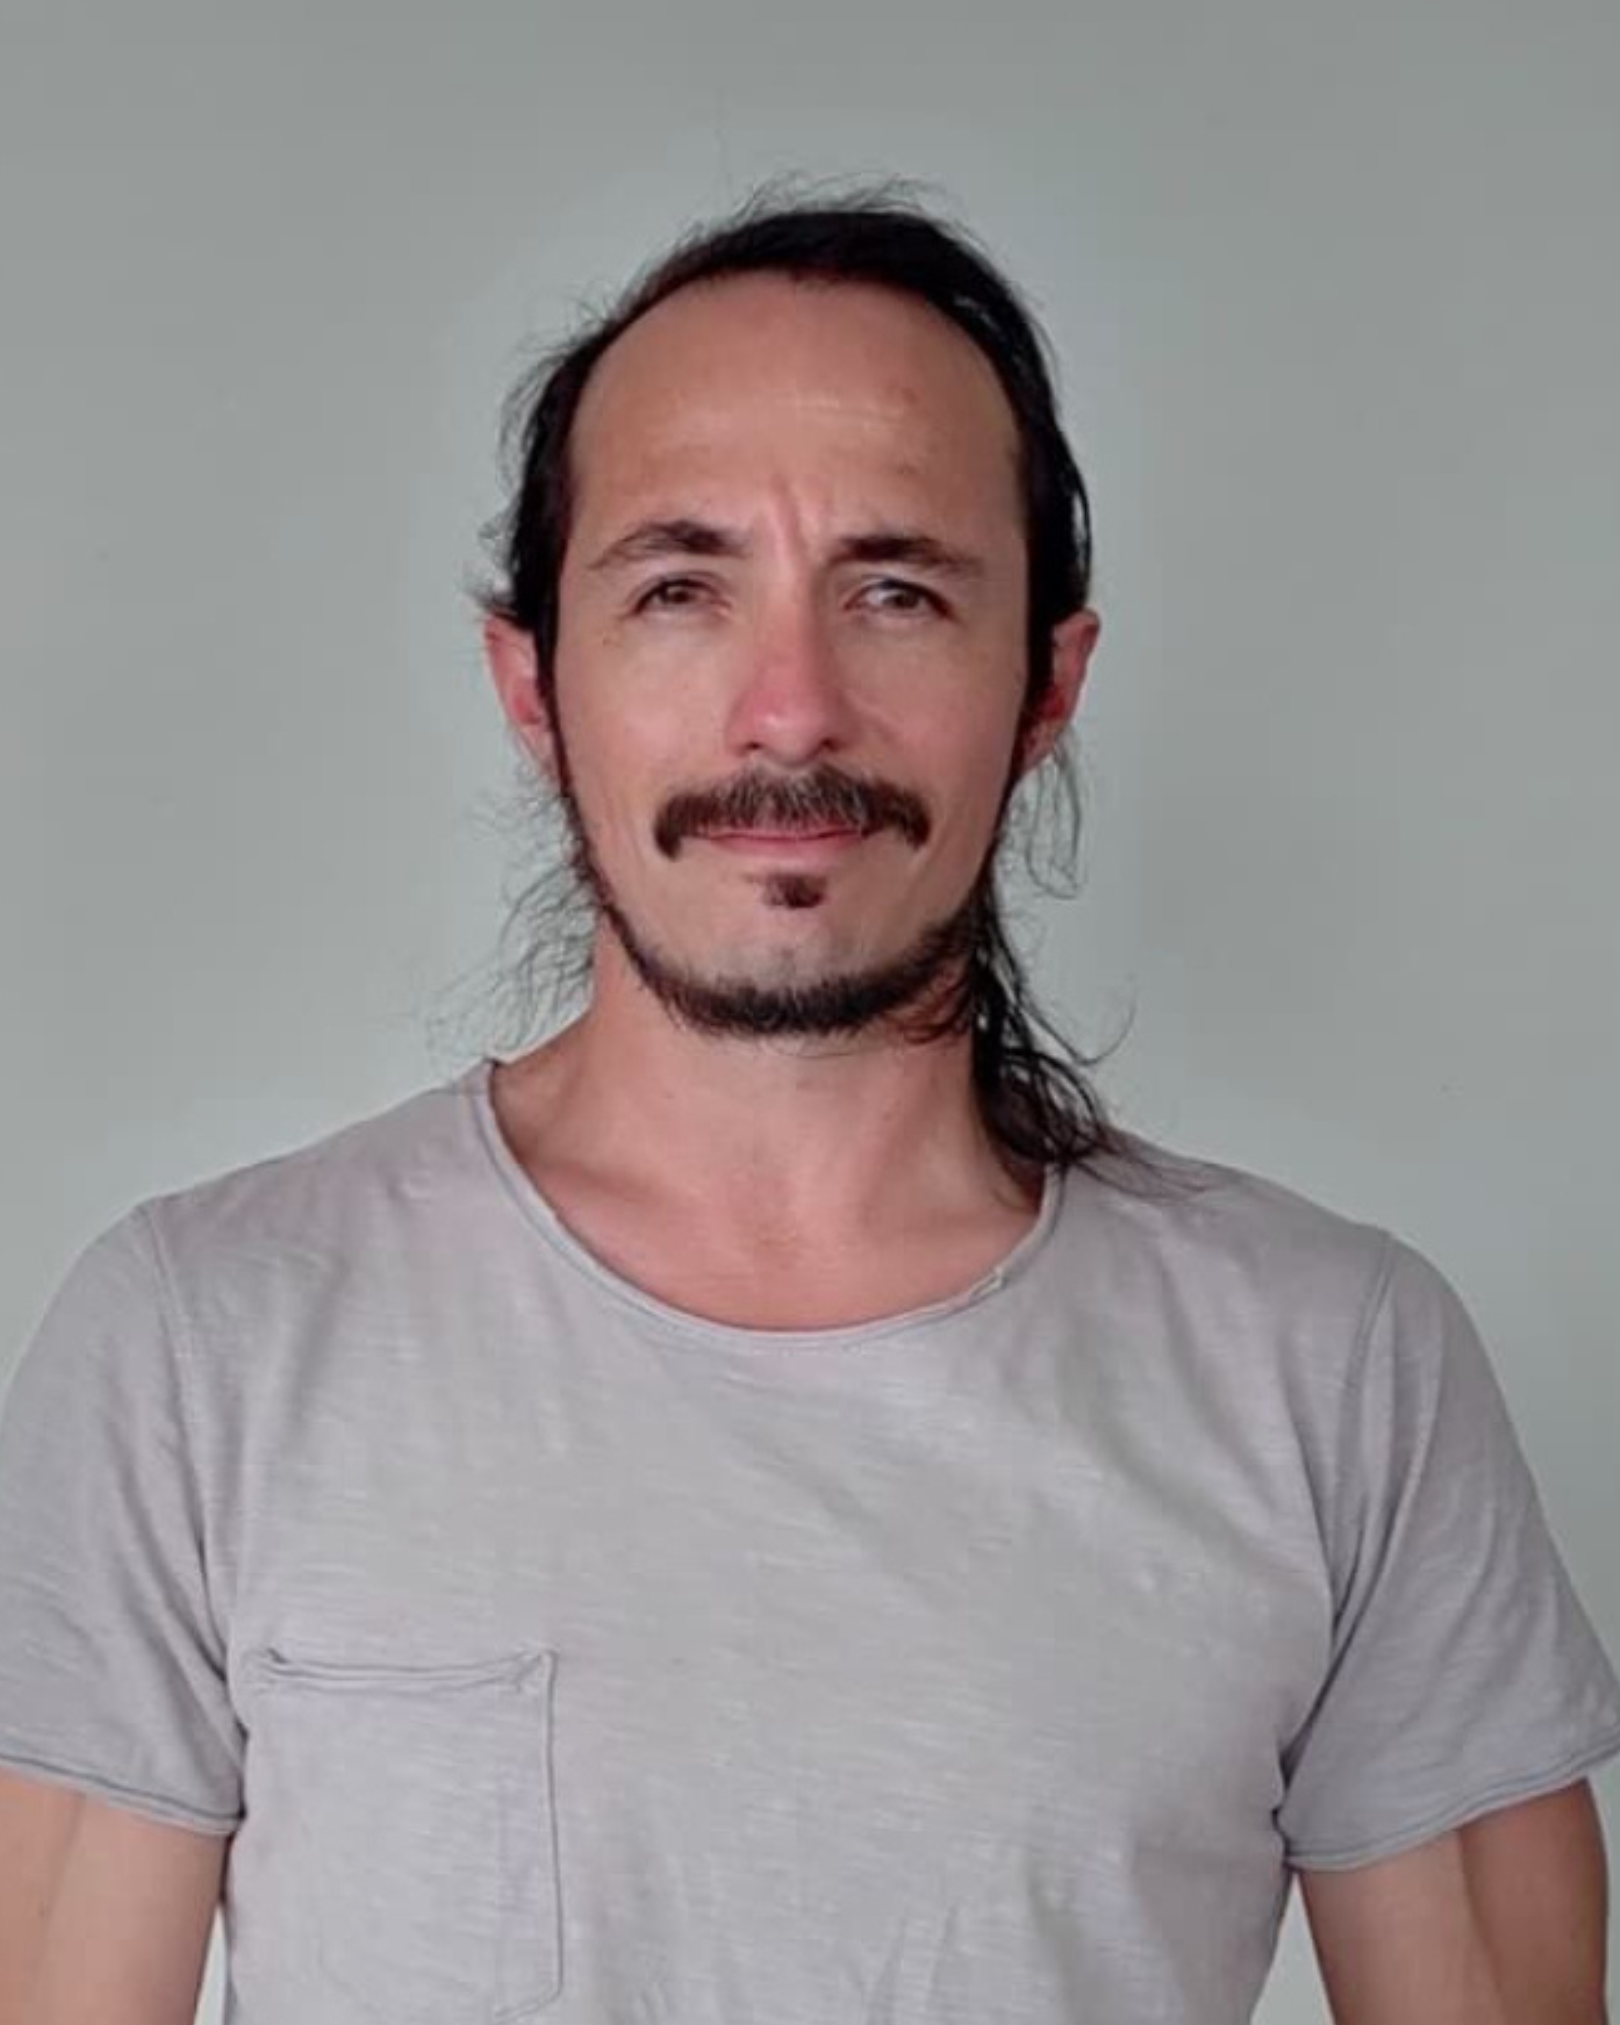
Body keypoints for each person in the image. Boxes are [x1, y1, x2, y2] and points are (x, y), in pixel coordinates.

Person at [1, 188, 1616, 2025]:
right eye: (681, 588)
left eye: (899, 592)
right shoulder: (201, 1341)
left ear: (1044, 689)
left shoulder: (1340, 1369)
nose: (791, 712)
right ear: (536, 687)